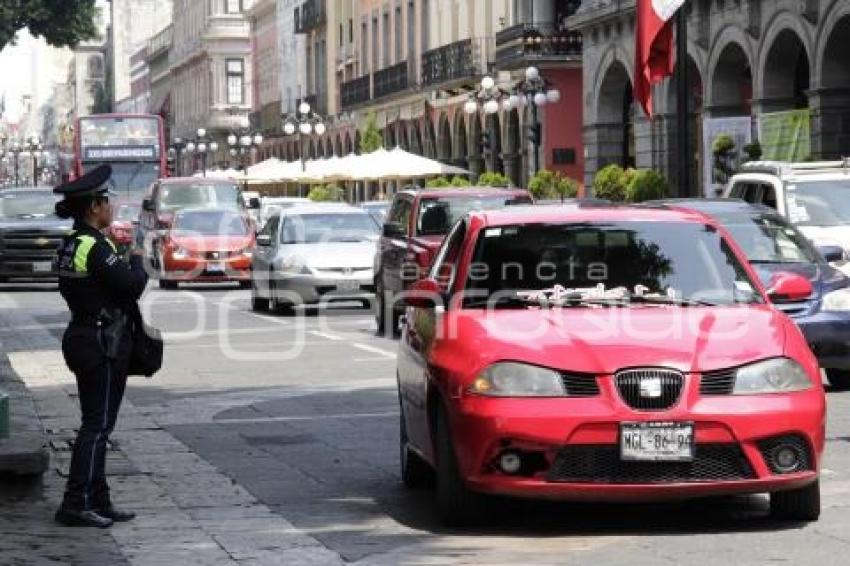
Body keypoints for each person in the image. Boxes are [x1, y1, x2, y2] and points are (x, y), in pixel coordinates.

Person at [52, 165, 148, 528]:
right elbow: (131, 286)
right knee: (97, 426)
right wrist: (137, 256)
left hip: (83, 334)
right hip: (100, 342)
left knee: (98, 423)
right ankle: (76, 503)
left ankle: (99, 499)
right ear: (94, 207)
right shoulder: (94, 245)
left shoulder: (72, 243)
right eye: (105, 201)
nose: (110, 206)